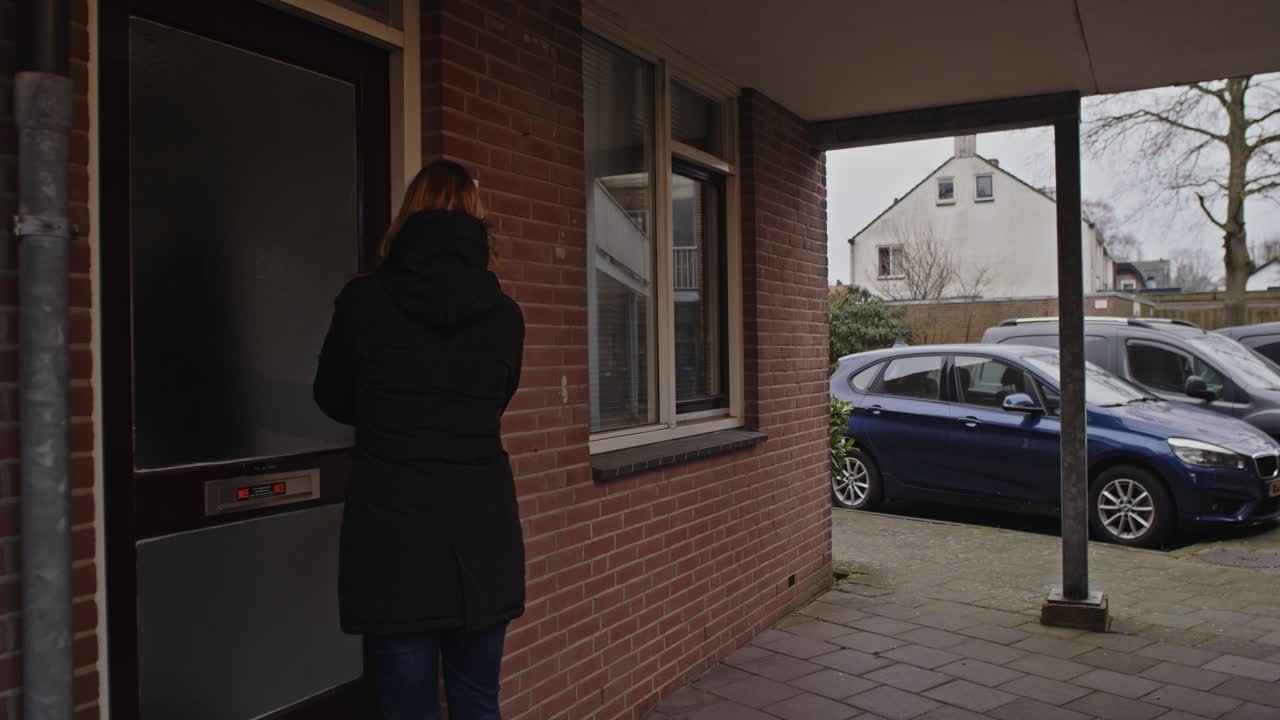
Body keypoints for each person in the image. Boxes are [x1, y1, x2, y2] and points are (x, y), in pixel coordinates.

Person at [314, 159, 526, 720]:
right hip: (483, 538)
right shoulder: (505, 316)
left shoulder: (362, 303)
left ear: (408, 215)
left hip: (394, 539)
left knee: (408, 709)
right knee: (479, 701)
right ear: (479, 221)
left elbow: (332, 398)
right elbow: (494, 401)